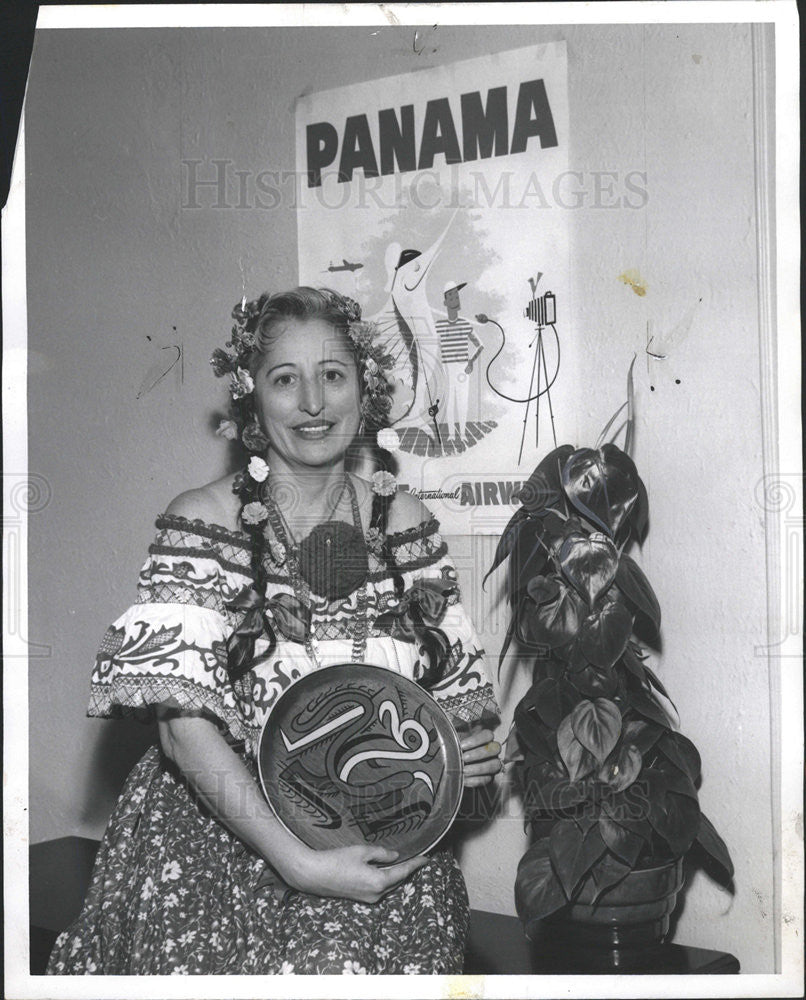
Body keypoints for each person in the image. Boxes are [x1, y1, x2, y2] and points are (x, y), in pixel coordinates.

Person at [47, 287, 501, 976]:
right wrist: (299, 863)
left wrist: (457, 762)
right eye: (285, 379)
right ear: (251, 396)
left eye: (333, 376)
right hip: (220, 834)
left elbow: (449, 707)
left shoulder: (403, 520)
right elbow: (181, 729)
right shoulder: (204, 521)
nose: (313, 403)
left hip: (377, 834)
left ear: (366, 388)